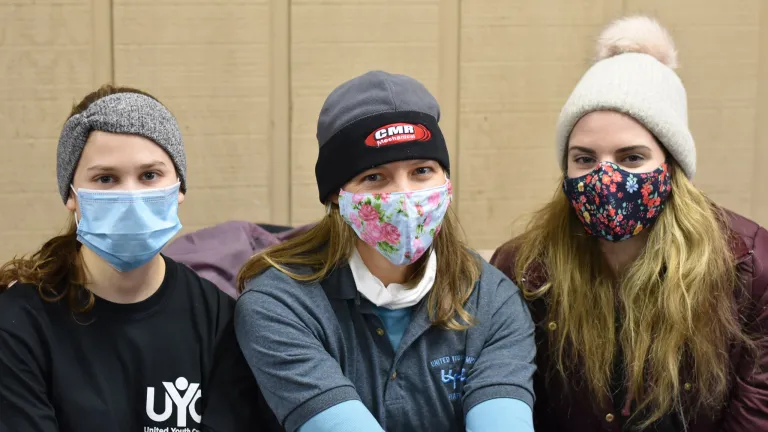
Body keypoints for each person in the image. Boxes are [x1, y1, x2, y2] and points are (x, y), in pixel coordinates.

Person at [491, 16, 768, 431]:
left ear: (671, 166)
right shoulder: (525, 267)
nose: (607, 178)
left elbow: (755, 409)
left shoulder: (745, 263)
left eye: (631, 158)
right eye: (585, 158)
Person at [233, 71, 536, 432]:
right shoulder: (279, 304)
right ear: (336, 195)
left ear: (445, 181)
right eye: (375, 177)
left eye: (422, 171)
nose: (403, 197)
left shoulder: (490, 297)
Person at [0, 85, 278, 431]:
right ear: (71, 195)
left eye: (149, 175)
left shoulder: (220, 321)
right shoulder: (18, 324)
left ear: (179, 187)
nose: (130, 195)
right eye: (106, 178)